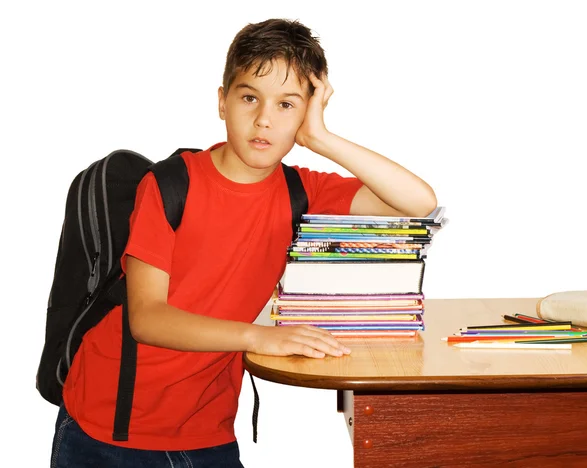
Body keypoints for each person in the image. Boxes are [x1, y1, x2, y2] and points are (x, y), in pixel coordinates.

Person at [50, 17, 437, 467]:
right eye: (249, 97)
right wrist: (261, 338)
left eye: (287, 105)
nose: (264, 119)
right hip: (109, 428)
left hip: (207, 428)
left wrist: (322, 138)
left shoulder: (300, 190)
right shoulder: (171, 185)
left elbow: (419, 203)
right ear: (222, 101)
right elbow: (148, 319)